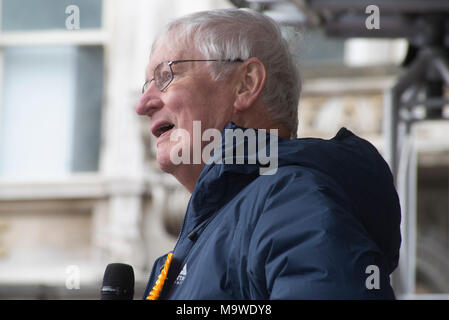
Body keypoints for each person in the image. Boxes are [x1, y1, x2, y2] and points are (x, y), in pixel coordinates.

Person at [136, 8, 401, 300]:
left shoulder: (292, 201)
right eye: (146, 84)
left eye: (166, 76)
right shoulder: (236, 218)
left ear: (246, 84)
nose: (143, 103)